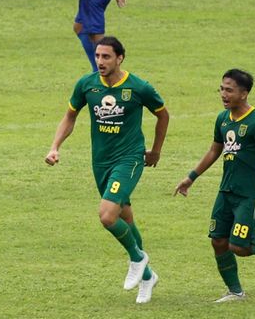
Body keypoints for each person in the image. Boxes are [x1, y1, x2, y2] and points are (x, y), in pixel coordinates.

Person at [45, 36, 169, 304]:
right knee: (124, 216)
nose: (100, 61)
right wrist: (55, 146)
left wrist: (156, 150)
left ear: (120, 58)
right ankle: (147, 277)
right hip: (100, 162)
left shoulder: (138, 87)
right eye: (97, 56)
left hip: (129, 158)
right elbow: (70, 116)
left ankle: (137, 259)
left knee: (107, 215)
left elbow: (163, 114)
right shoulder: (87, 85)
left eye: (106, 57)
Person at [174, 69, 255, 302]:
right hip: (226, 191)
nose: (223, 94)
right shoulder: (222, 119)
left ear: (244, 93)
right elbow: (214, 151)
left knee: (240, 247)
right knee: (218, 240)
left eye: (229, 90)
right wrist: (191, 177)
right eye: (222, 88)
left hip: (248, 194)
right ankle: (236, 292)